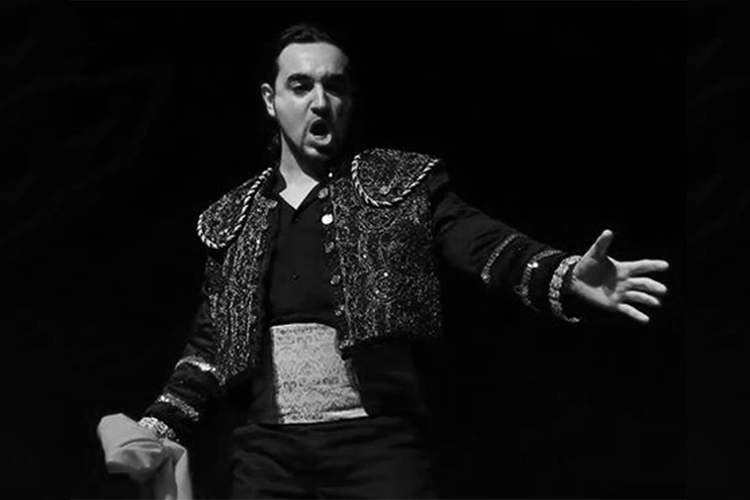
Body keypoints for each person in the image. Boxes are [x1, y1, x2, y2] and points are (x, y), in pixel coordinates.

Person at [102, 23, 670, 499]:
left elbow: (482, 244)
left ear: (349, 100)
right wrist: (156, 427)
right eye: (300, 86)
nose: (319, 101)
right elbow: (209, 351)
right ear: (271, 101)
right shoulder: (235, 218)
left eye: (334, 86)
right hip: (268, 457)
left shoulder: (396, 186)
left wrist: (564, 275)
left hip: (377, 449)